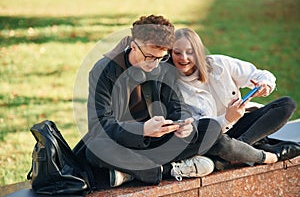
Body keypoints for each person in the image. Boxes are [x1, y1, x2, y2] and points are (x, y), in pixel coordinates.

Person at [82, 15, 221, 188]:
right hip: (122, 143)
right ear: (133, 46)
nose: (155, 64)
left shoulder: (164, 66)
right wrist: (142, 130)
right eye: (149, 57)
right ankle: (167, 170)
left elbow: (177, 107)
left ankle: (131, 171)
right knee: (96, 147)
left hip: (157, 142)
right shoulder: (103, 70)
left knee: (211, 128)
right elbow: (98, 126)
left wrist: (185, 124)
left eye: (160, 57)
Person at [170, 27, 300, 170]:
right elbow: (199, 129)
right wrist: (227, 118)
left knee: (287, 104)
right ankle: (252, 150)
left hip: (242, 130)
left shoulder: (219, 64)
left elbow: (261, 75)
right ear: (170, 54)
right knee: (222, 144)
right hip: (216, 139)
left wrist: (264, 85)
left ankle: (239, 151)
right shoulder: (172, 86)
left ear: (199, 52)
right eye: (177, 53)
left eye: (190, 52)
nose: (184, 58)